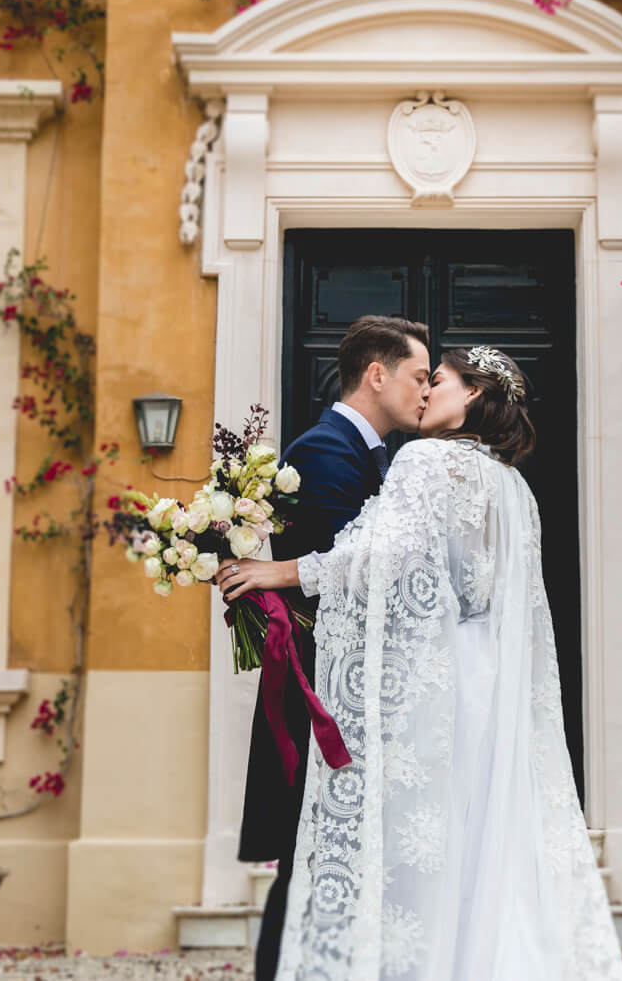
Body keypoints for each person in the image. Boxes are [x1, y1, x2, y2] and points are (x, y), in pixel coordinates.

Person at [219, 346, 622, 981]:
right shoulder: (511, 484)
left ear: (473, 397)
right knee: (484, 839)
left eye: (439, 381)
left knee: (422, 846)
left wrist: (281, 570)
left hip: (435, 686)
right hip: (492, 683)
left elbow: (381, 555)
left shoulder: (428, 460)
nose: (427, 393)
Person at [232, 315, 432, 981]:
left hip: (344, 693)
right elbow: (345, 585)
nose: (427, 392)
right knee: (309, 856)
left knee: (327, 855)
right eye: (418, 376)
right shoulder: (325, 453)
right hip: (323, 693)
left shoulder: (365, 452)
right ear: (377, 374)